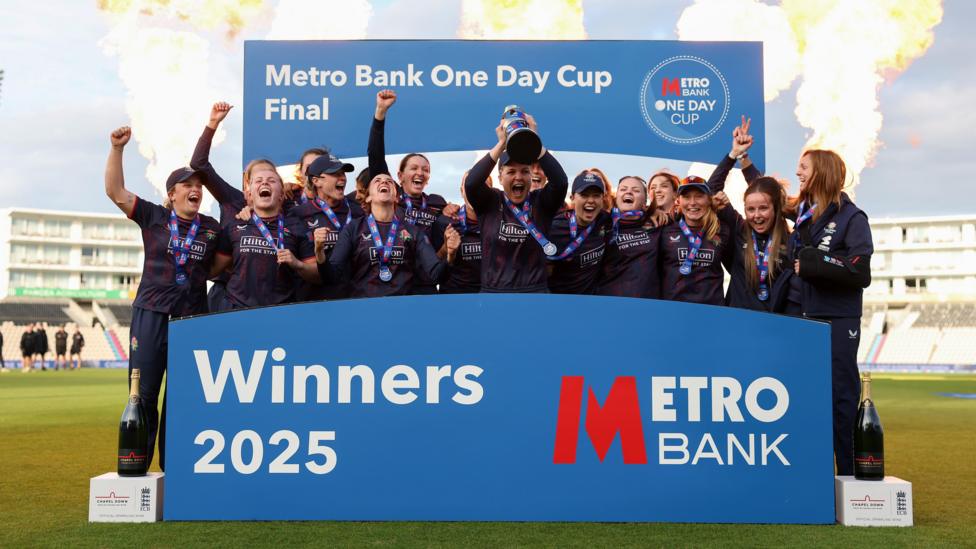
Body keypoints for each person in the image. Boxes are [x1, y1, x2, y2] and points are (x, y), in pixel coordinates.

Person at [105, 125, 221, 471]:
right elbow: (115, 191)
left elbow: (223, 266)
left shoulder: (212, 228)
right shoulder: (154, 215)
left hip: (191, 321)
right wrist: (117, 149)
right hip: (151, 315)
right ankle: (136, 466)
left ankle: (176, 469)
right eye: (188, 185)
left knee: (183, 399)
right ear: (172, 194)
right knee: (142, 396)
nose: (195, 189)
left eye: (199, 185)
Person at [787, 149, 873, 476]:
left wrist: (814, 263)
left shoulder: (853, 218)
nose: (797, 173)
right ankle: (815, 478)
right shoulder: (807, 215)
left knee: (841, 398)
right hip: (806, 319)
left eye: (803, 167)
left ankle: (850, 477)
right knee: (810, 399)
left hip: (838, 320)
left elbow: (860, 272)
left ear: (821, 172)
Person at [463, 113, 568, 293]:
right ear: (500, 177)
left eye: (524, 171)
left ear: (530, 176)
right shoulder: (490, 201)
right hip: (494, 293)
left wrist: (534, 141)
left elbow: (560, 182)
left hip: (534, 293)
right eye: (511, 172)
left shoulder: (541, 202)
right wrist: (502, 143)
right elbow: (472, 183)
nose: (518, 177)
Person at [321, 172, 459, 298]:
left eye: (389, 181)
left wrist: (451, 256)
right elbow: (332, 275)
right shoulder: (353, 229)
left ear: (396, 197)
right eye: (377, 180)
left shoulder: (413, 232)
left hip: (401, 309)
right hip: (363, 309)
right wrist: (319, 253)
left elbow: (436, 274)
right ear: (368, 197)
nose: (384, 182)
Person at [369, 90, 450, 294]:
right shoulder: (390, 194)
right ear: (400, 175)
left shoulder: (437, 202)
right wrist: (380, 114)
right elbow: (375, 157)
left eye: (425, 170)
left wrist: (452, 211)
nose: (420, 173)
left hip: (426, 281)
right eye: (414, 168)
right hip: (396, 278)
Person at [708, 119, 791, 311]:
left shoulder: (790, 239)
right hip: (737, 321)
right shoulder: (740, 228)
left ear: (776, 208)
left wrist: (745, 159)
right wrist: (735, 155)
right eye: (750, 209)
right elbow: (710, 190)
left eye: (763, 208)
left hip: (774, 326)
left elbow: (767, 190)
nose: (756, 215)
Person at [211, 164, 320, 309]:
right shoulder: (234, 225)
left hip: (280, 312)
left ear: (281, 195)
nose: (264, 182)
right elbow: (212, 269)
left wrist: (297, 264)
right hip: (237, 309)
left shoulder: (297, 227)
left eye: (271, 180)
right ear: (250, 195)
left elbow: (317, 276)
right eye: (258, 180)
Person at [290, 153, 364, 301]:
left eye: (343, 173)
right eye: (335, 174)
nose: (342, 178)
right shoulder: (298, 214)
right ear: (316, 181)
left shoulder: (358, 211)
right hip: (313, 301)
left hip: (353, 299)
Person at [658, 176, 734, 305]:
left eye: (699, 196)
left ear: (709, 199)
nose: (692, 202)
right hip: (673, 310)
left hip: (711, 311)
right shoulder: (665, 230)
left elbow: (737, 270)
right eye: (686, 197)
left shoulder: (722, 230)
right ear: (678, 200)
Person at [595, 176, 662, 298]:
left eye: (636, 190)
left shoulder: (658, 223)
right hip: (610, 303)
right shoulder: (602, 223)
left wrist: (658, 212)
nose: (628, 192)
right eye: (623, 189)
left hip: (647, 306)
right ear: (617, 197)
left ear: (644, 202)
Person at [547, 171, 611, 294]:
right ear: (572, 198)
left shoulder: (605, 219)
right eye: (584, 195)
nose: (591, 200)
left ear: (603, 199)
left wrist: (655, 213)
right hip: (561, 301)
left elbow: (632, 216)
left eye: (596, 195)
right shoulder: (555, 227)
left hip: (590, 302)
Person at [431, 172, 489, 294]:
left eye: (483, 186)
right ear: (461, 191)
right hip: (454, 298)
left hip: (488, 297)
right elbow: (433, 272)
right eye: (469, 186)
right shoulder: (444, 223)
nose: (475, 191)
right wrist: (446, 249)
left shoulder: (499, 221)